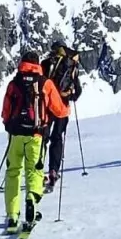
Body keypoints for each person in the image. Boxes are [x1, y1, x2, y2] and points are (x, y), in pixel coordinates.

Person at [0, 51, 69, 234]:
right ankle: (32, 198)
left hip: (15, 136)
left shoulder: (14, 83)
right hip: (36, 136)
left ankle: (12, 215)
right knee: (35, 171)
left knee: (13, 173)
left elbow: (5, 111)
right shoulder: (45, 83)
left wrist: (9, 125)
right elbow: (60, 111)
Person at [41, 43, 83, 190]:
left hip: (46, 107)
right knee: (57, 138)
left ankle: (38, 170)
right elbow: (77, 92)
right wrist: (69, 94)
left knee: (42, 137)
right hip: (62, 108)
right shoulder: (71, 66)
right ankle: (53, 171)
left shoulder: (46, 63)